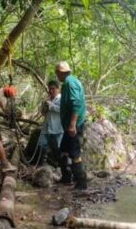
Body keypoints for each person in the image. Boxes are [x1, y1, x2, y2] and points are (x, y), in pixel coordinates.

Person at [55, 61, 87, 190]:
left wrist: (73, 124)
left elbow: (76, 104)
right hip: (69, 125)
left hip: (74, 125)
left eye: (57, 73)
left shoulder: (70, 83)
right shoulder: (70, 81)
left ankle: (81, 183)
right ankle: (67, 177)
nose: (57, 76)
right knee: (63, 150)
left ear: (60, 73)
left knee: (74, 153)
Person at [38, 80, 63, 166]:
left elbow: (62, 110)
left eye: (53, 89)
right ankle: (42, 164)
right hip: (46, 126)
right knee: (42, 144)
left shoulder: (61, 99)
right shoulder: (48, 99)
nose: (51, 91)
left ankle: (58, 165)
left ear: (58, 89)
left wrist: (50, 105)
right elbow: (43, 113)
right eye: (49, 89)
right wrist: (44, 105)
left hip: (57, 128)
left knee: (57, 147)